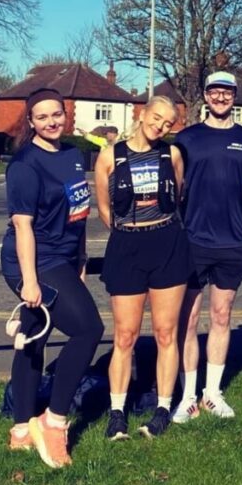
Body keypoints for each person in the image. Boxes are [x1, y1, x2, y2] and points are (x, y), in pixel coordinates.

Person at [0, 89, 105, 469]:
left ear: (66, 115)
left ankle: (21, 431)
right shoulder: (25, 165)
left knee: (32, 336)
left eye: (56, 114)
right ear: (31, 121)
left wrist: (81, 258)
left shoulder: (73, 155)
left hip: (63, 257)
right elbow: (22, 227)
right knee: (88, 330)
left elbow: (78, 212)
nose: (51, 122)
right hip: (34, 260)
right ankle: (54, 421)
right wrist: (29, 282)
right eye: (42, 117)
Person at [171, 71, 242, 422]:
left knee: (222, 316)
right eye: (214, 92)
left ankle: (212, 393)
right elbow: (174, 186)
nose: (220, 97)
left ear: (234, 97)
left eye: (227, 92)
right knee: (188, 319)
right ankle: (188, 396)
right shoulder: (186, 138)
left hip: (232, 243)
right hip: (192, 240)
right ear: (206, 96)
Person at [94, 95, 189, 440]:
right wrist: (129, 235)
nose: (161, 126)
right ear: (142, 113)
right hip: (127, 246)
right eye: (157, 117)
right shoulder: (109, 156)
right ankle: (117, 413)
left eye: (168, 123)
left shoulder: (172, 154)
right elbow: (104, 208)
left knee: (166, 333)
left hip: (167, 243)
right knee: (125, 335)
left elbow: (178, 195)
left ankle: (162, 409)